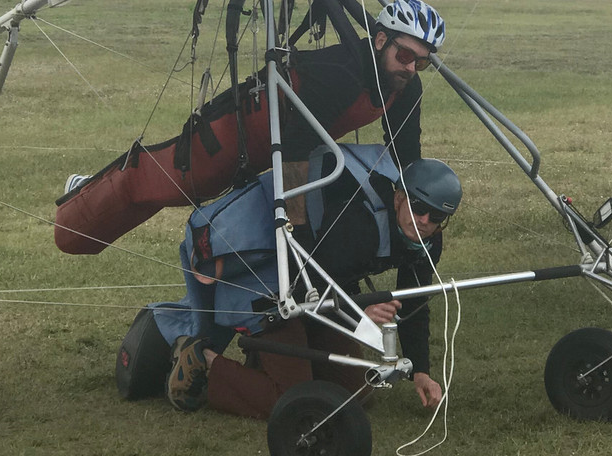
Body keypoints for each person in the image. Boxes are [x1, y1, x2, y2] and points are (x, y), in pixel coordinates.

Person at [53, 0, 446, 254]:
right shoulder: (342, 75)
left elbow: (405, 154)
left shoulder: (405, 87)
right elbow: (293, 151)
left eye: (422, 61)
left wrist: (418, 205)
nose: (411, 67)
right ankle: (82, 196)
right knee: (163, 186)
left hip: (278, 144)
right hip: (236, 133)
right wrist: (299, 230)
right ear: (380, 40)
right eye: (405, 54)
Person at [163, 155, 462, 419]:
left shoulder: (426, 242)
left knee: (357, 392)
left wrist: (421, 372)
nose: (424, 220)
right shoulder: (362, 227)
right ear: (399, 198)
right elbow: (304, 278)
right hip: (271, 288)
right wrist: (359, 312)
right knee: (295, 401)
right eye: (418, 206)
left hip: (319, 295)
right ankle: (206, 361)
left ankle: (269, 364)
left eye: (436, 216)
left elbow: (414, 305)